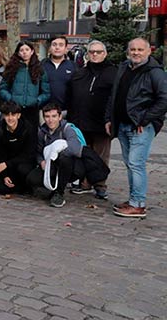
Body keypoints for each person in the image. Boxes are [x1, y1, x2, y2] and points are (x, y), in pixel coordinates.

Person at [104, 38, 167, 218]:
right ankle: (133, 199)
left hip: (141, 127)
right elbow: (114, 95)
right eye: (133, 49)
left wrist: (145, 120)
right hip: (123, 124)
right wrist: (109, 118)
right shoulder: (124, 67)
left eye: (140, 49)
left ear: (148, 52)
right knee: (130, 164)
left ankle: (138, 204)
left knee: (136, 163)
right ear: (128, 51)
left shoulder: (155, 73)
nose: (136, 53)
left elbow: (164, 100)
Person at [67, 40, 116, 199]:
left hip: (102, 122)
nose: (95, 54)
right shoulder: (80, 72)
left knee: (101, 155)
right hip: (81, 120)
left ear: (105, 54)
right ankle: (85, 183)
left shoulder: (112, 72)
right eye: (92, 52)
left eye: (98, 52)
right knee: (84, 153)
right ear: (87, 54)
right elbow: (72, 96)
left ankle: (100, 184)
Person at [26, 103, 90, 208]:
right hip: (50, 165)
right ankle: (52, 188)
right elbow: (38, 152)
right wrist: (41, 161)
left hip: (69, 165)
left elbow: (75, 149)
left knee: (65, 159)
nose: (50, 120)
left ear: (60, 117)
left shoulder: (68, 129)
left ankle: (59, 192)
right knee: (32, 179)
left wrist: (55, 154)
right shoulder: (42, 133)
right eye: (47, 117)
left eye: (54, 116)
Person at [0, 41, 51, 131]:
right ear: (18, 53)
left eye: (27, 49)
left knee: (31, 137)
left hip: (32, 109)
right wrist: (11, 99)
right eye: (21, 50)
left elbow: (46, 93)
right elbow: (3, 88)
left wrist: (37, 100)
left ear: (32, 51)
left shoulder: (39, 69)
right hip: (15, 110)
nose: (24, 52)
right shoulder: (12, 68)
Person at [0, 101, 36, 195]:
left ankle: (25, 186)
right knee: (1, 189)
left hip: (24, 163)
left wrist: (6, 164)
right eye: (7, 115)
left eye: (13, 115)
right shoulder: (0, 131)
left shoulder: (28, 129)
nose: (10, 118)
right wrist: (4, 175)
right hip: (8, 166)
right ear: (3, 116)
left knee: (22, 170)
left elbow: (28, 155)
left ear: (18, 115)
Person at [41, 36, 74, 112]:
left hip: (65, 111)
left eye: (61, 45)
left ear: (66, 49)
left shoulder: (73, 67)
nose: (57, 47)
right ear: (49, 48)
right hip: (44, 111)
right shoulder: (41, 65)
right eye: (54, 44)